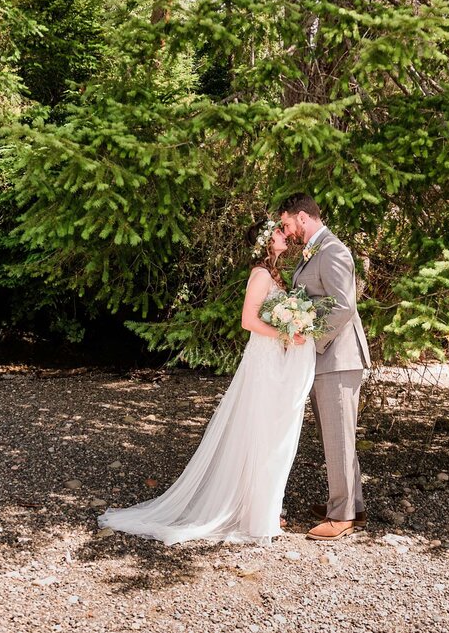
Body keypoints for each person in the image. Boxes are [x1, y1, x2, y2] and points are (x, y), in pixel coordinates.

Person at [96, 219, 315, 545]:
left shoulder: (275, 275)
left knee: (268, 435)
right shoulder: (260, 275)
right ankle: (257, 516)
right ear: (265, 242)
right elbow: (247, 320)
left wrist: (288, 332)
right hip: (263, 364)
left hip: (274, 360)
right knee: (261, 435)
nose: (284, 234)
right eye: (278, 232)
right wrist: (284, 332)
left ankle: (261, 510)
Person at [278, 192, 371, 541]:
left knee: (340, 436)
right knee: (336, 435)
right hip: (325, 358)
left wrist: (310, 338)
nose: (287, 232)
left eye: (287, 224)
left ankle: (342, 515)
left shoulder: (332, 249)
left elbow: (344, 306)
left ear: (303, 217)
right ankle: (352, 505)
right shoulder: (314, 250)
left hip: (338, 356)